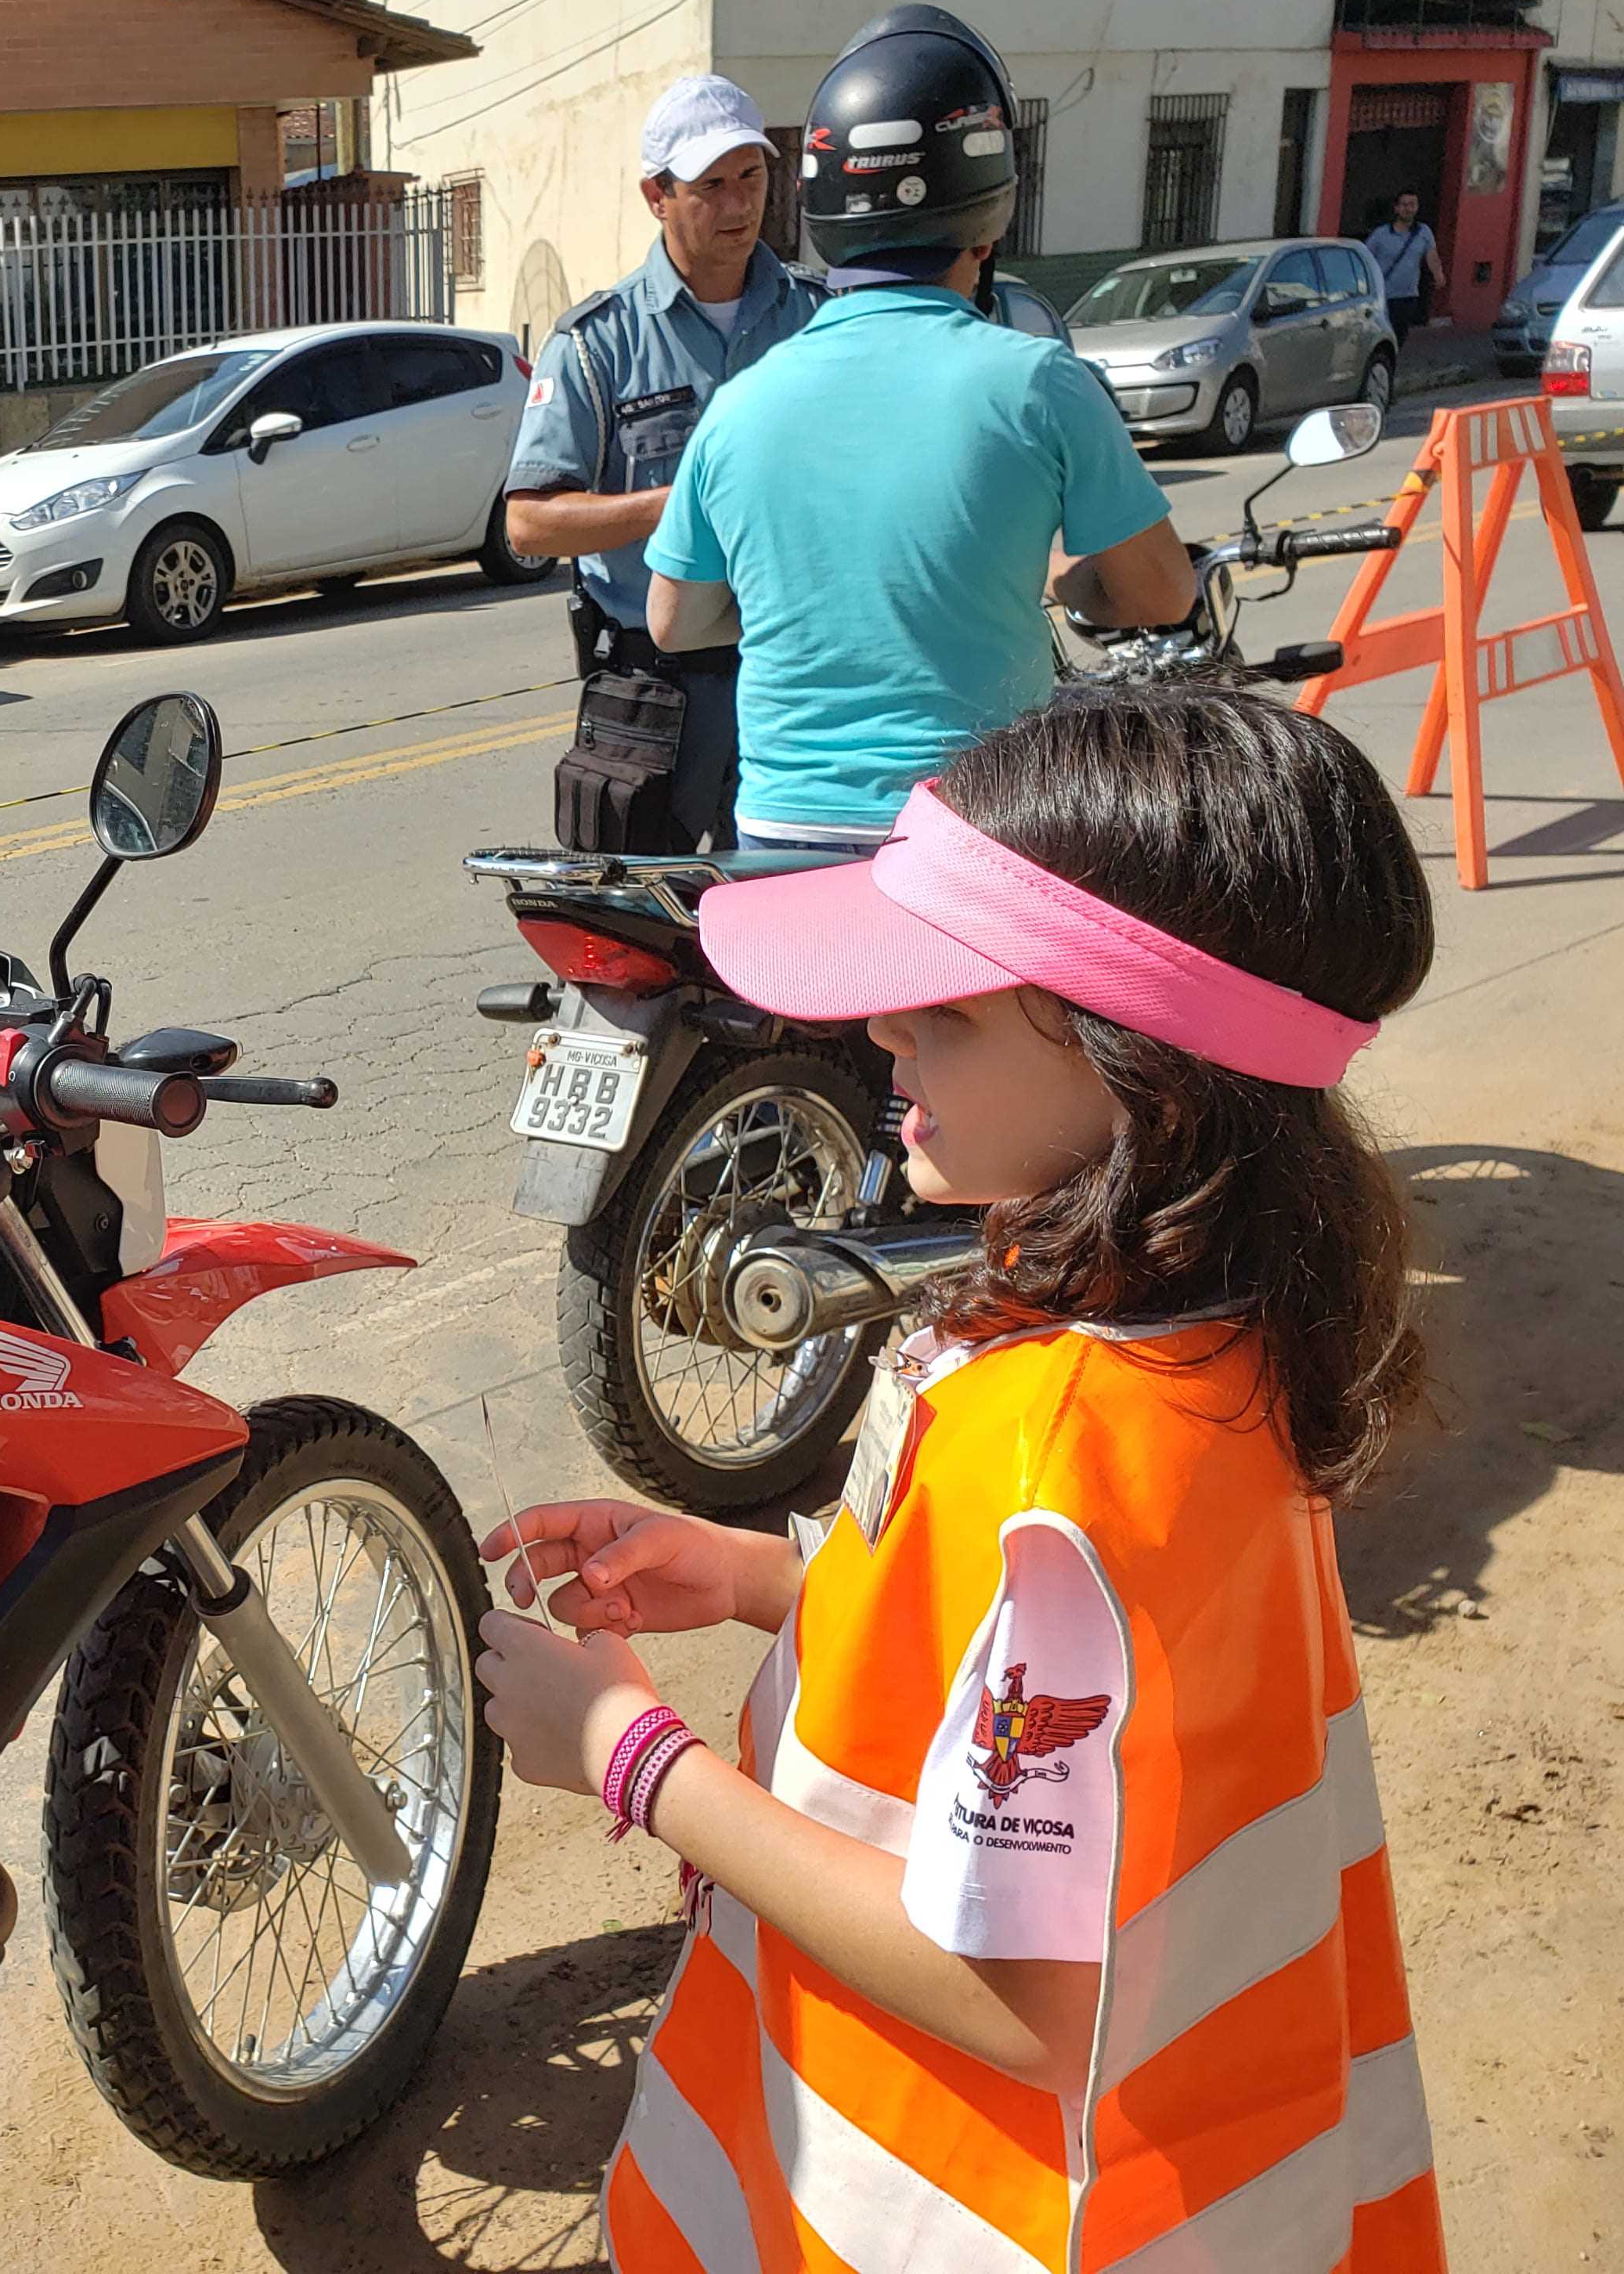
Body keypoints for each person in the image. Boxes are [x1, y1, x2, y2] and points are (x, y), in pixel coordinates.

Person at [475, 684, 1447, 2272]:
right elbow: (1082, 1684)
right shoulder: (1191, 1341)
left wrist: (627, 1752)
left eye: (952, 1004)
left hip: (965, 2201)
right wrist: (761, 1575)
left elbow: (1007, 1994)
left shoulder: (1068, 1452)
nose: (880, 1028)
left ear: (1150, 1066)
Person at [644, 5, 1195, 855]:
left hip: (784, 833)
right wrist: (1058, 583)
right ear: (991, 211)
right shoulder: (1039, 382)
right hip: (978, 830)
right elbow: (1161, 594)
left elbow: (676, 623)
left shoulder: (741, 406)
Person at [504, 74, 825, 846]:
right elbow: (530, 523)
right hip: (655, 695)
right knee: (645, 941)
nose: (739, 205)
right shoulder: (597, 343)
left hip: (795, 679)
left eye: (752, 176)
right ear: (658, 195)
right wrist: (678, 505)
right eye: (711, 185)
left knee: (795, 931)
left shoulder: (821, 319)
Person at [1366, 191, 1444, 342]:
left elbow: (1432, 255)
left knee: (1399, 335)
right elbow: (1366, 258)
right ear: (1396, 208)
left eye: (1412, 205)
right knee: (1381, 336)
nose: (1408, 209)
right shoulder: (1381, 234)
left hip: (1408, 296)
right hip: (1383, 295)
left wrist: (1438, 274)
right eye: (1404, 205)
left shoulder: (1424, 232)